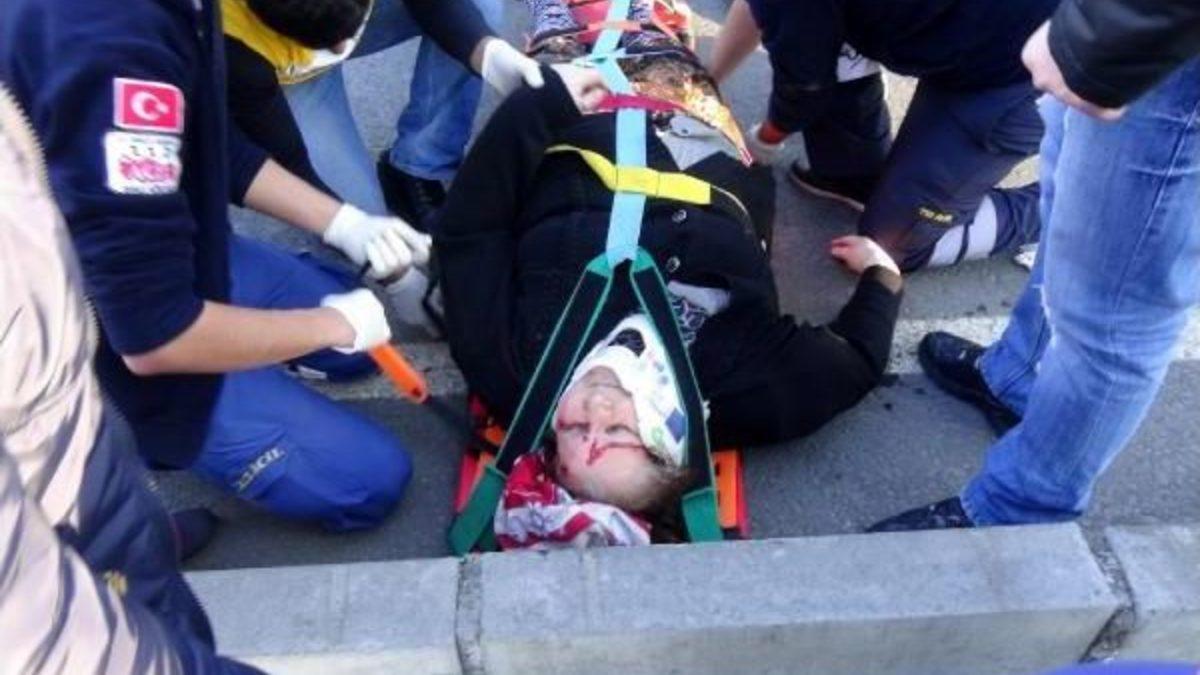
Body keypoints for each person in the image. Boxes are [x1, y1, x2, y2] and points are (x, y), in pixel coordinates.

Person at [435, 1, 905, 545]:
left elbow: (470, 231)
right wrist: (882, 277)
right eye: (619, 429)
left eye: (576, 429)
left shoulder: (511, 370)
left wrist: (538, 108)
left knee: (572, 17)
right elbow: (855, 364)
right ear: (672, 441)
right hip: (686, 112)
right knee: (643, 21)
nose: (595, 407)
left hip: (568, 118)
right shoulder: (740, 382)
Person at [0, 0, 432, 536]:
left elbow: (206, 140)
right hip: (79, 310)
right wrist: (334, 325)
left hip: (141, 244)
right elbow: (155, 336)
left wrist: (345, 224)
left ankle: (241, 350)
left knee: (349, 323)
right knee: (368, 481)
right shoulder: (115, 55)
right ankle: (129, 423)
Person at [869, 0, 1200, 532]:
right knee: (1071, 216)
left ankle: (1020, 513)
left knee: (1113, 312)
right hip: (1126, 28)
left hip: (1168, 50)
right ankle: (1017, 378)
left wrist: (1096, 32)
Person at [0, 87, 257, 675]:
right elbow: (41, 640)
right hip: (56, 483)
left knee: (156, 584)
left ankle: (147, 537)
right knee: (363, 487)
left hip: (71, 414)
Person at [707, 0, 1056, 272]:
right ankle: (856, 176)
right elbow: (760, 9)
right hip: (961, 29)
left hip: (1020, 73)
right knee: (847, 170)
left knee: (889, 249)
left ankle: (1060, 207)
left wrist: (763, 140)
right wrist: (706, 81)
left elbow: (804, 90)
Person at [222, 0, 541, 231]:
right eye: (332, 42)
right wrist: (348, 231)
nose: (342, 47)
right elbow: (286, 154)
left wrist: (489, 53)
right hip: (279, 71)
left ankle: (419, 164)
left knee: (480, 6)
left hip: (322, 25)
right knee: (362, 221)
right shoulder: (222, 35)